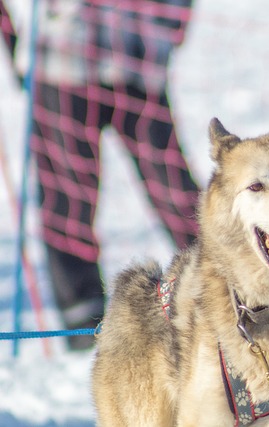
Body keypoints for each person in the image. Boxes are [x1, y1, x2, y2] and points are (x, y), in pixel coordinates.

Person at [5, 0, 200, 349]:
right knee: (68, 195)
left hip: (138, 59)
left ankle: (221, 282)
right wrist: (12, 42)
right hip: (62, 61)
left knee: (173, 187)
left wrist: (172, 25)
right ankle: (82, 313)